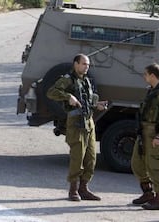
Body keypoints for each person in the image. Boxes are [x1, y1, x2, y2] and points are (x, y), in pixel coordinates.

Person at [47, 54, 107, 201]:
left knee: (91, 158)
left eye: (88, 65)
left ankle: (84, 188)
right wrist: (68, 97)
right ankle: (73, 190)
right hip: (75, 122)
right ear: (76, 64)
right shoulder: (68, 79)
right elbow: (51, 92)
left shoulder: (86, 81)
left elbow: (87, 101)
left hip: (88, 121)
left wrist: (97, 105)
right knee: (77, 156)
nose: (86, 67)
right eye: (84, 64)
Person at [131, 63, 159, 210]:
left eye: (146, 74)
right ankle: (148, 193)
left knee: (155, 166)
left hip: (154, 134)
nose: (144, 76)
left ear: (153, 76)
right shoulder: (151, 91)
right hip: (143, 133)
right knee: (137, 163)